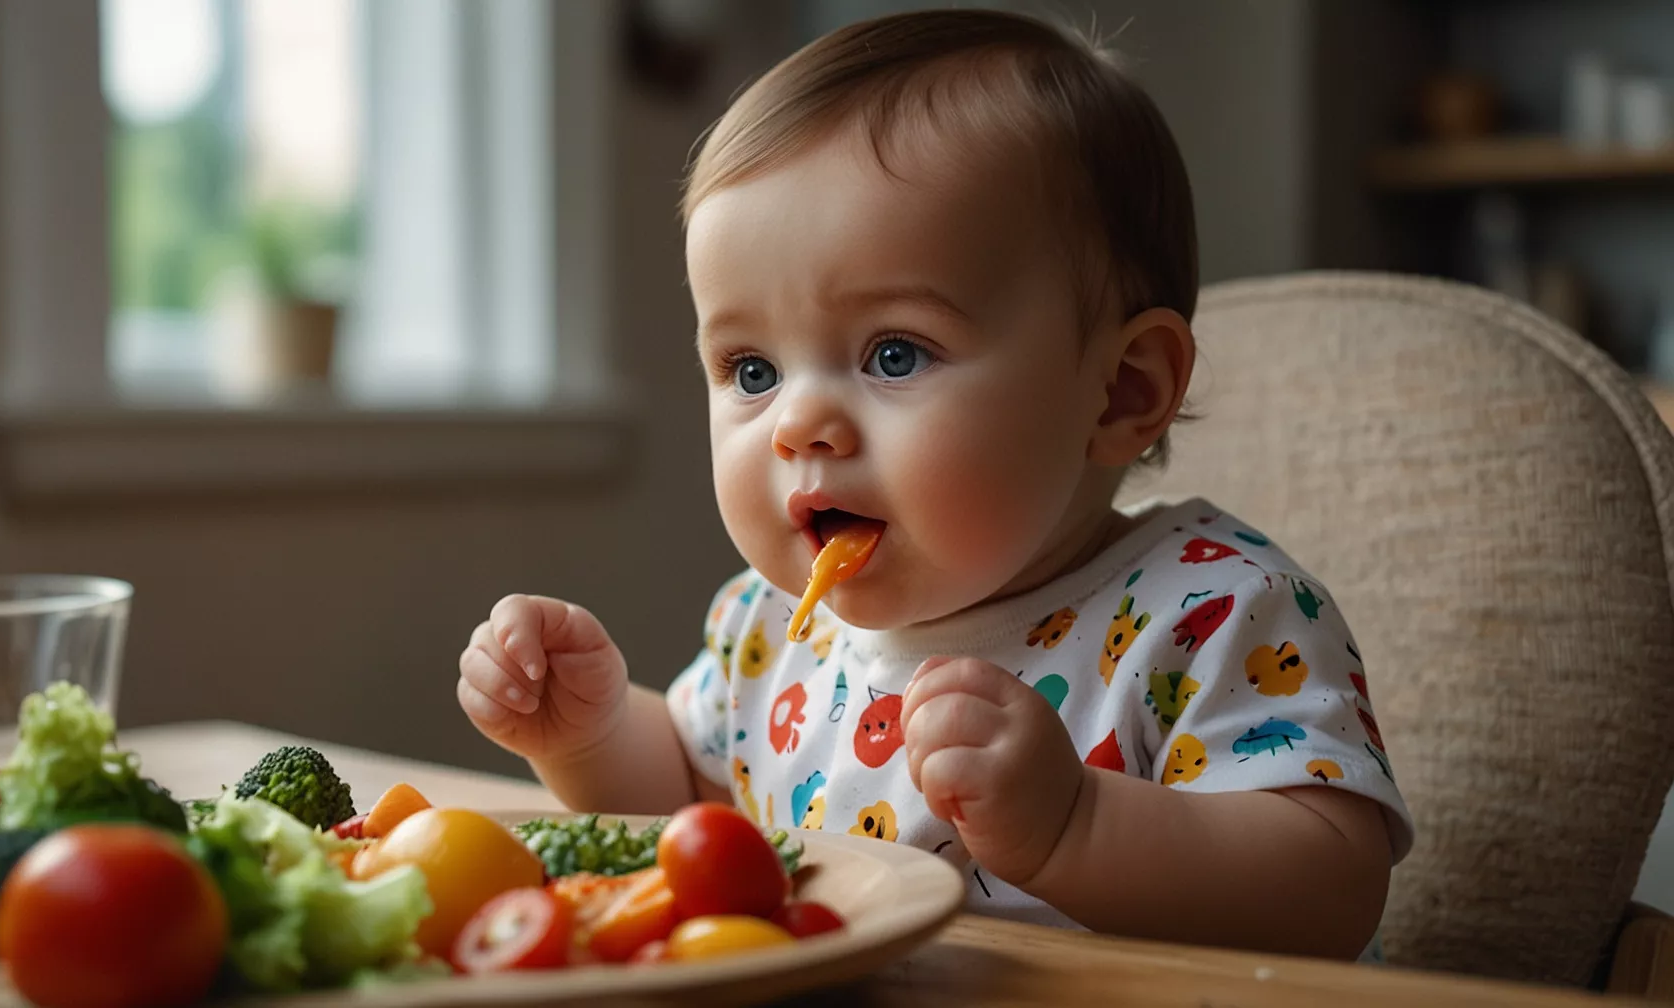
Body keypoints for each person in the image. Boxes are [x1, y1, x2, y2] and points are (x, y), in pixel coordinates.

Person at [459, 8, 1411, 961]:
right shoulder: (767, 630)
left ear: (1123, 390)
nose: (797, 424)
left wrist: (1076, 824)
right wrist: (589, 738)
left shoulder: (1215, 612)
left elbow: (1331, 889)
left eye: (895, 353)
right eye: (753, 370)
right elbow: (696, 806)